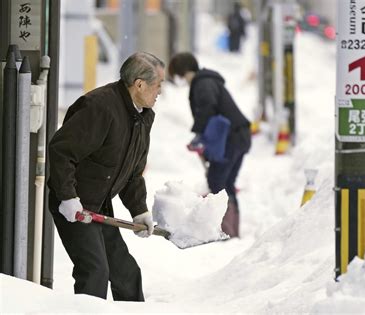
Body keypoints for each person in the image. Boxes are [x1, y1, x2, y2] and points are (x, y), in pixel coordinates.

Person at [47, 52, 165, 301]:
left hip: (99, 204)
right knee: (95, 271)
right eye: (158, 85)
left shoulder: (143, 116)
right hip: (75, 203)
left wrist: (139, 210)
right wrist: (67, 197)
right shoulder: (99, 106)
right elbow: (61, 151)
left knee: (126, 273)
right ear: (139, 84)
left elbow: (132, 172)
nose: (160, 92)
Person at [168, 52, 251, 238]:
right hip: (238, 136)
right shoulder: (206, 81)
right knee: (225, 182)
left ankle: (226, 230)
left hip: (232, 138)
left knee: (218, 181)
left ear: (182, 71)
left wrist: (198, 135)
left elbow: (207, 107)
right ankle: (231, 230)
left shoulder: (202, 83)